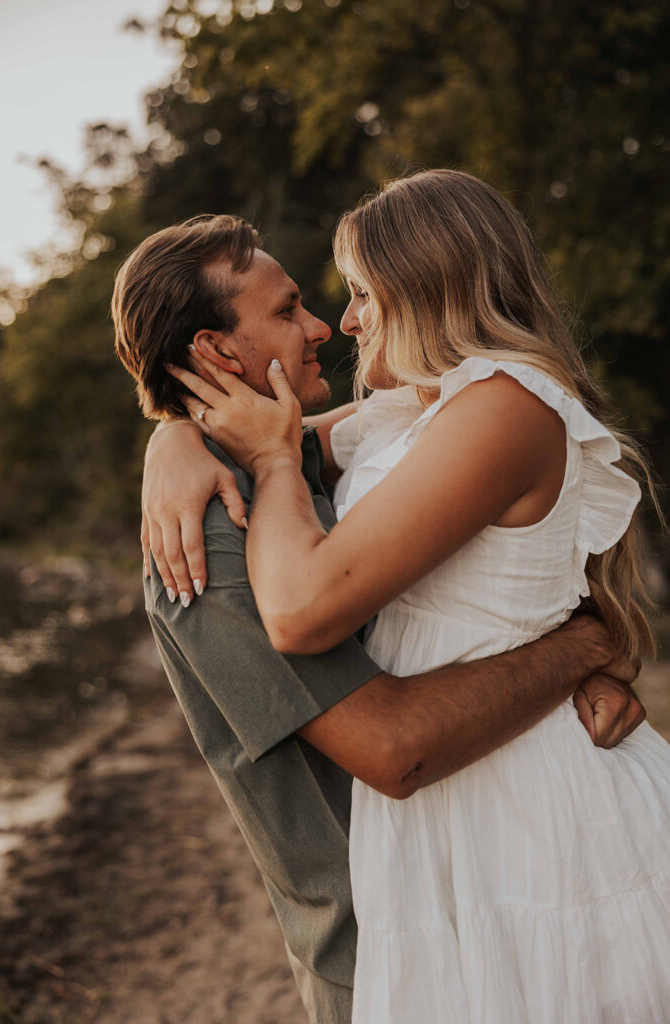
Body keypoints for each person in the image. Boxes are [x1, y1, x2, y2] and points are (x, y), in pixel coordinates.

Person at [152, 172, 669, 1023]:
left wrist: (279, 461)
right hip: (457, 811)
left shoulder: (502, 404)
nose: (344, 322)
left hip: (537, 810)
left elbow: (300, 608)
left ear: (430, 287)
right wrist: (169, 440)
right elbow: (231, 430)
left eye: (361, 293)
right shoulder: (414, 415)